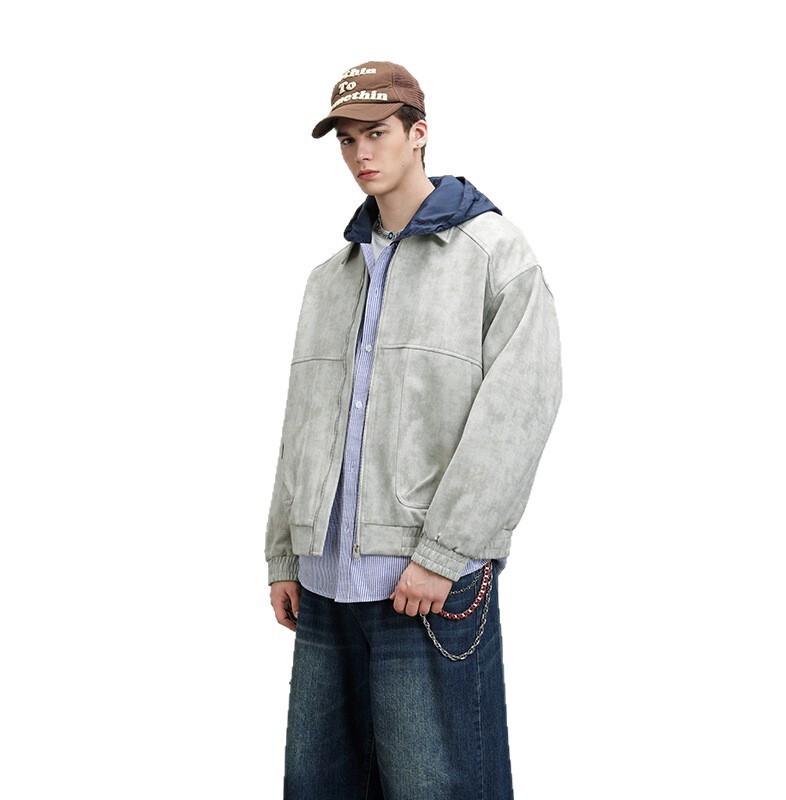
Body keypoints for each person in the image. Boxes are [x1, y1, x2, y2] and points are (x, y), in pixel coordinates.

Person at [264, 60, 563, 799]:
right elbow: (303, 425)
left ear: (418, 133)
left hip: (424, 587)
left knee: (441, 788)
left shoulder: (495, 255)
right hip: (325, 585)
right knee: (320, 787)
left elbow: (520, 410)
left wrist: (446, 553)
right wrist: (283, 552)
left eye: (377, 133)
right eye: (347, 139)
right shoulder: (330, 278)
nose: (360, 153)